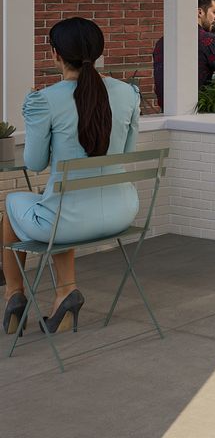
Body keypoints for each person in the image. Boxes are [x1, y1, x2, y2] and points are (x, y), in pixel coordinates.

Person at [4, 18, 142, 337]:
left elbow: (35, 163)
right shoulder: (128, 94)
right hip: (123, 213)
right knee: (57, 207)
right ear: (99, 53)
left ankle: (13, 294)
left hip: (69, 222)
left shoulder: (46, 99)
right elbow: (126, 154)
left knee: (16, 207)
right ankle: (64, 295)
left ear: (55, 54)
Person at [150, 0, 215, 111]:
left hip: (167, 114)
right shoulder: (208, 41)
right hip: (199, 115)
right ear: (200, 12)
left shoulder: (162, 42)